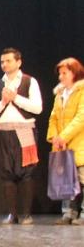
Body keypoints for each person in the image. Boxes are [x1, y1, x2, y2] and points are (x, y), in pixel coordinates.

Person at [0, 48, 43, 225]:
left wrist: (15, 98)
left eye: (8, 61)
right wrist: (3, 102)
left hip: (24, 130)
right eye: (2, 61)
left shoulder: (29, 81)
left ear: (18, 62)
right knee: (7, 173)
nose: (4, 64)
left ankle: (27, 214)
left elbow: (37, 108)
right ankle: (12, 214)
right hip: (3, 132)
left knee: (26, 172)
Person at [47, 57, 84, 225]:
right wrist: (55, 137)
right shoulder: (60, 94)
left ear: (74, 73)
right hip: (63, 144)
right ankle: (69, 213)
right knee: (67, 179)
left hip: (80, 142)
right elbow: (53, 118)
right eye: (60, 74)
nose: (60, 76)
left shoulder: (82, 91)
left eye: (64, 73)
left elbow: (81, 117)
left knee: (82, 179)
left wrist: (64, 136)